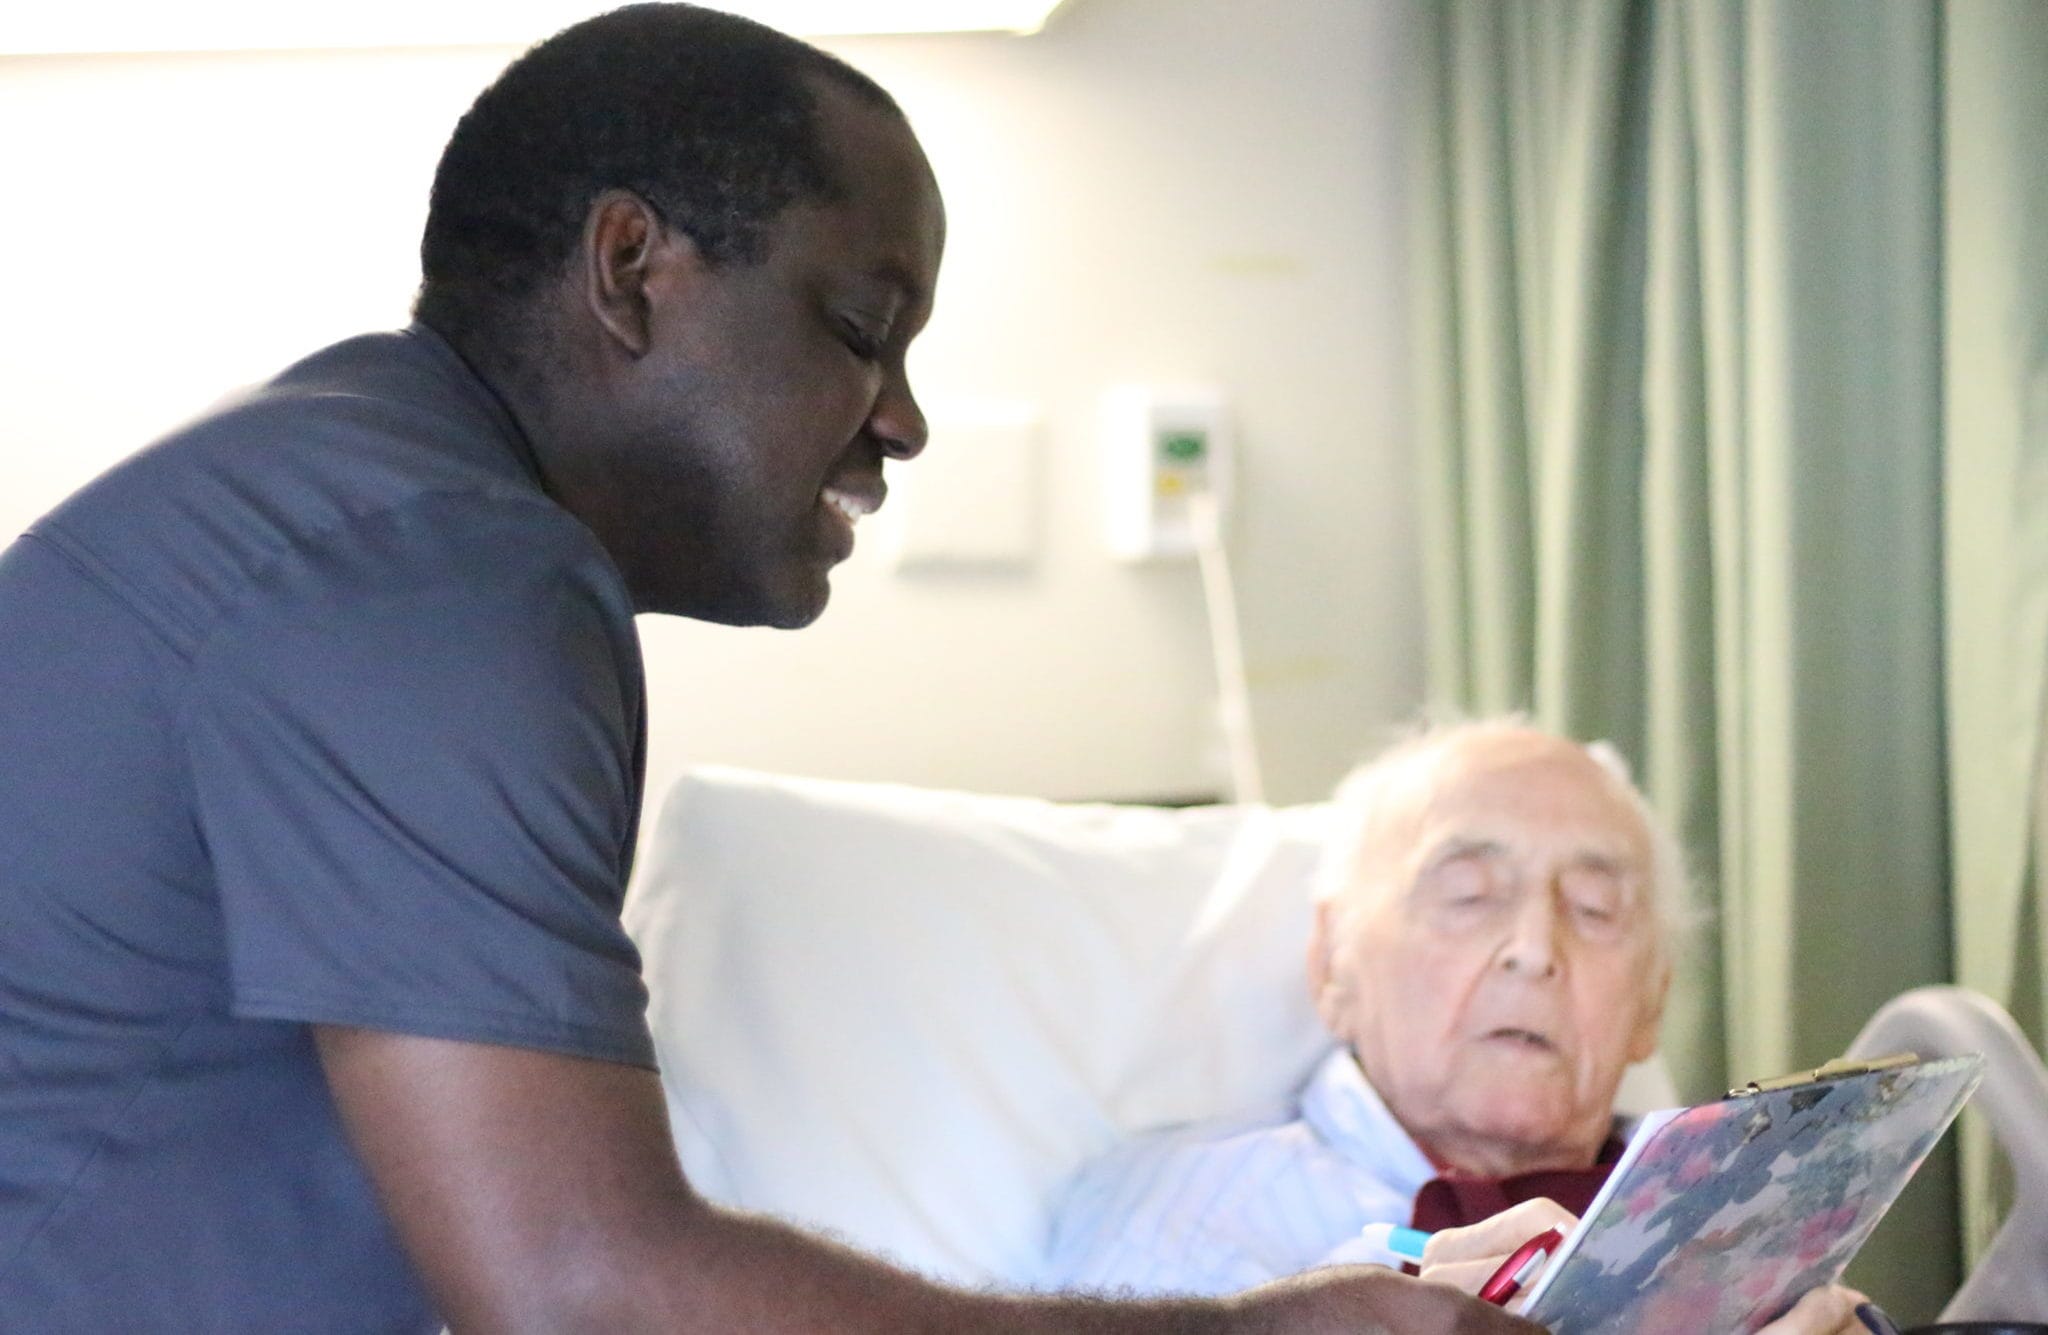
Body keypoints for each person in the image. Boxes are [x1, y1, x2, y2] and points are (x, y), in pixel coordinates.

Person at [0, 6, 1532, 1332]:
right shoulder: (441, 579)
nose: (903, 420)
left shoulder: (362, 501)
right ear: (632, 270)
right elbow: (583, 1289)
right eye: (864, 326)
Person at [1043, 720, 1883, 1334]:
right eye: (1469, 893)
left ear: (1652, 1003)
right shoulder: (1181, 1226)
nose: (1533, 949)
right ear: (1333, 963)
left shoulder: (1749, 1222)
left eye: (1593, 910)